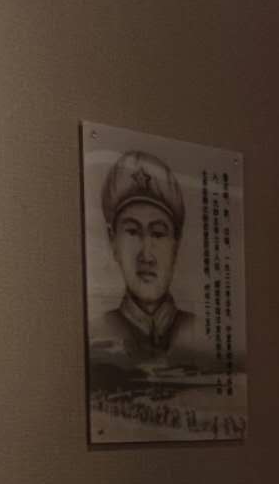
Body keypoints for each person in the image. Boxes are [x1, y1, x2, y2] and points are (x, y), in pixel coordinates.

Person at [89, 150, 213, 367]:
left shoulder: (205, 335)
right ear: (113, 241)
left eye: (158, 233)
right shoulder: (95, 334)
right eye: (132, 232)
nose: (146, 256)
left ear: (176, 244)